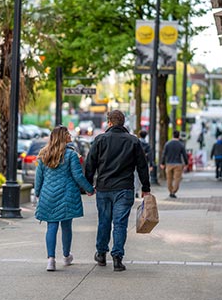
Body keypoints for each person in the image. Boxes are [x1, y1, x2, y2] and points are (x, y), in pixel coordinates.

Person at [85, 110, 151, 272]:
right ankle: (117, 257)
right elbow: (142, 166)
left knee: (104, 221)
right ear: (123, 123)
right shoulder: (133, 141)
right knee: (120, 223)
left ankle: (101, 253)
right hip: (124, 188)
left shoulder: (100, 140)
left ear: (109, 122)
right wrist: (146, 187)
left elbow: (90, 164)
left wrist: (87, 185)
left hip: (104, 188)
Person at [34, 126, 95, 272]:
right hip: (67, 195)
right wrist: (90, 189)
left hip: (48, 195)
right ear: (62, 137)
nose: (70, 135)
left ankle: (51, 260)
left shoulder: (44, 154)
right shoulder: (71, 155)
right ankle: (66, 256)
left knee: (51, 226)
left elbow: (39, 177)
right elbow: (78, 176)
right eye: (67, 133)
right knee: (66, 226)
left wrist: (37, 193)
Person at [160, 130, 188, 198]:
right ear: (178, 136)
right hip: (178, 164)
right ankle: (174, 191)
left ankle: (170, 191)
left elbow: (164, 154)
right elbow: (184, 155)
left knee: (169, 179)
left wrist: (162, 163)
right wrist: (186, 163)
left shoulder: (167, 144)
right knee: (177, 179)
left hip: (169, 164)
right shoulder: (181, 144)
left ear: (173, 135)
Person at [134, 130, 153, 197]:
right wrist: (151, 164)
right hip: (145, 163)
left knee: (136, 178)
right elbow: (150, 155)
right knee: (145, 176)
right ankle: (144, 190)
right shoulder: (147, 145)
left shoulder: (136, 142)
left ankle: (136, 191)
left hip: (136, 163)